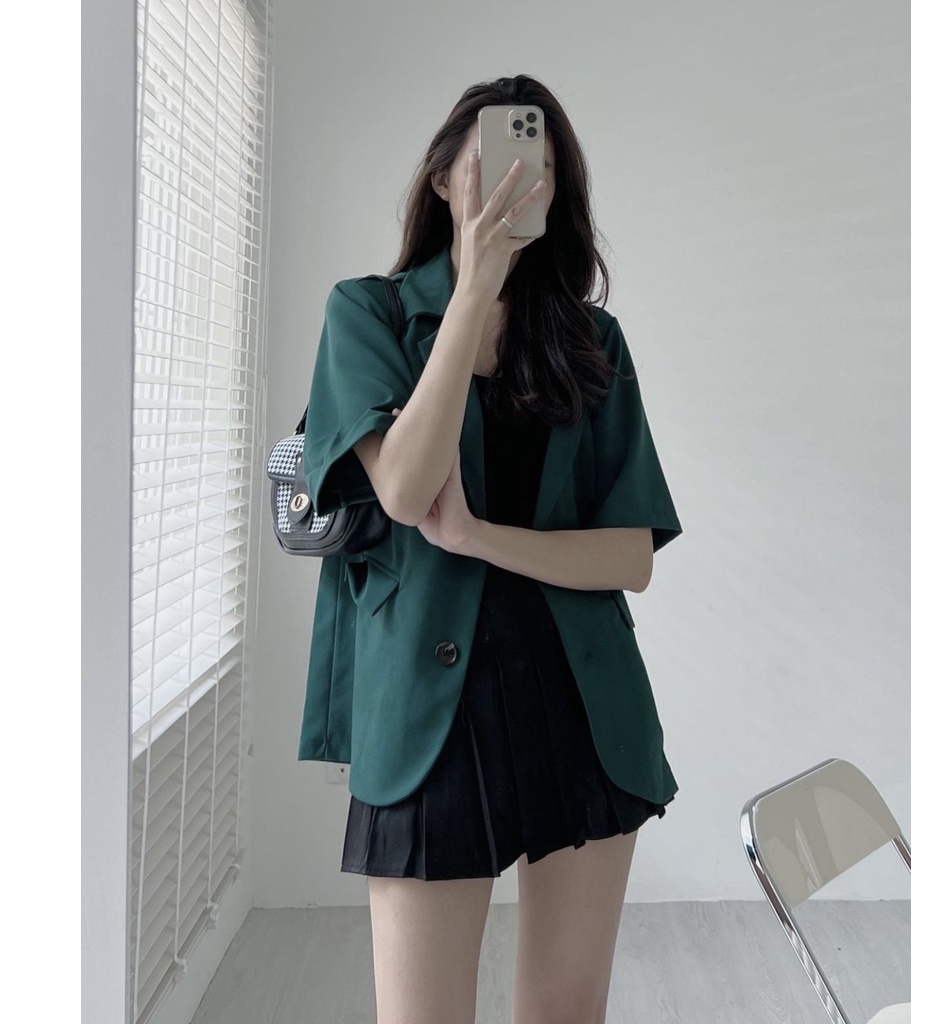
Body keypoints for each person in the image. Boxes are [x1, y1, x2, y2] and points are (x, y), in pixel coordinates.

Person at [299, 74, 683, 1024]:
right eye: (495, 162)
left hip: (580, 702)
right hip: (427, 719)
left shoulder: (591, 342)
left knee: (565, 1014)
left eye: (538, 170)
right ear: (443, 179)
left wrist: (480, 538)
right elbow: (402, 489)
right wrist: (473, 289)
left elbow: (629, 557)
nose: (518, 184)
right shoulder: (368, 314)